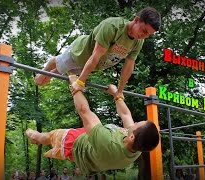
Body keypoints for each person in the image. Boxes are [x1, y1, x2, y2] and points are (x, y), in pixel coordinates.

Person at [26, 75, 160, 175]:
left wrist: (75, 84)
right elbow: (126, 115)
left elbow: (84, 111)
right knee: (89, 130)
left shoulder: (107, 141)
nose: (135, 123)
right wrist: (117, 95)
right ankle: (38, 139)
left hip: (77, 145)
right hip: (95, 154)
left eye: (137, 124)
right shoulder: (138, 148)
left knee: (50, 136)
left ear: (132, 137)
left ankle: (34, 137)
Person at [35, 7, 161, 97]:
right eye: (144, 31)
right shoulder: (112, 27)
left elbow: (128, 67)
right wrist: (80, 82)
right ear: (136, 20)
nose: (144, 36)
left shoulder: (138, 42)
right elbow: (96, 55)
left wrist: (120, 91)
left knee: (59, 72)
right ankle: (44, 71)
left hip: (90, 65)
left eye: (148, 35)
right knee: (56, 65)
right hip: (79, 53)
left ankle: (49, 74)